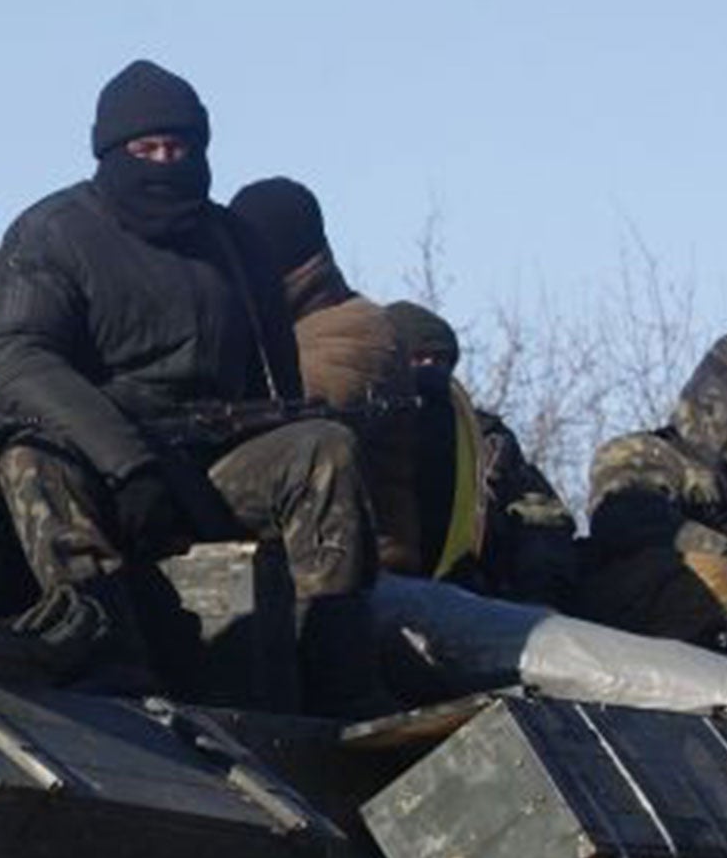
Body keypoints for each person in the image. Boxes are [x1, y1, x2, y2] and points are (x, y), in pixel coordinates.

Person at [0, 60, 381, 716]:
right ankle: (110, 662)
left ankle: (336, 672)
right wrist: (126, 462)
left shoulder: (234, 243)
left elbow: (275, 383)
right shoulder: (53, 233)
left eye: (180, 149)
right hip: (101, 462)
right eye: (146, 150)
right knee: (30, 465)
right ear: (111, 153)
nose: (164, 164)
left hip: (217, 461)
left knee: (322, 448)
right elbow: (15, 357)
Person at [228, 178, 578, 607]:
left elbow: (275, 421)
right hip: (297, 563)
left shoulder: (355, 332)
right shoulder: (280, 331)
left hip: (364, 579)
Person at [582, 328, 727, 667]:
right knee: (718, 578)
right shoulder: (644, 453)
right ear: (720, 402)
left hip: (720, 638)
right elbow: (625, 521)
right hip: (616, 616)